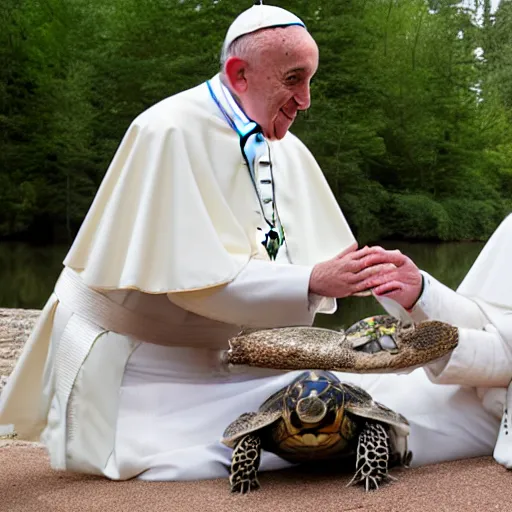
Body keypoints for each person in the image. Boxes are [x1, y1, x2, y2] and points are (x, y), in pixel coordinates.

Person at [0, 2, 504, 481]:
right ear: (240, 74)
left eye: (310, 80)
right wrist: (311, 279)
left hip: (230, 359)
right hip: (144, 366)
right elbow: (191, 285)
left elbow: (297, 259)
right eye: (293, 80)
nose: (306, 100)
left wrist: (383, 280)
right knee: (209, 456)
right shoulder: (167, 132)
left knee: (359, 406)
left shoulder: (284, 147)